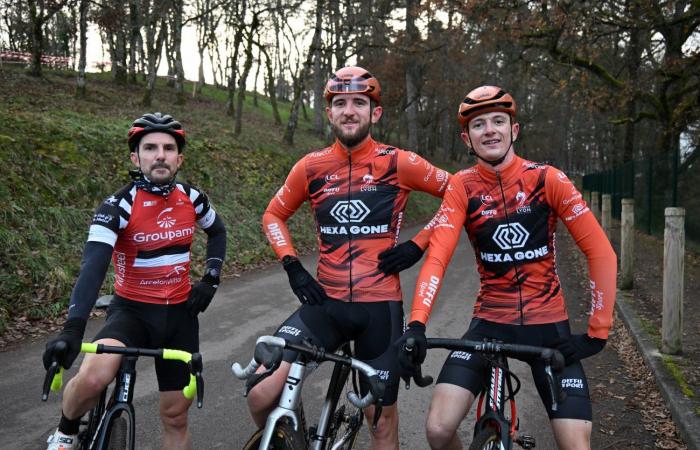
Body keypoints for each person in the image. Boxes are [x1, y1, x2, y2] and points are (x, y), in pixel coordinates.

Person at [398, 86, 617, 450]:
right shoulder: (462, 187)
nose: (490, 130)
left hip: (548, 326)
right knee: (438, 429)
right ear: (467, 138)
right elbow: (438, 256)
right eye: (479, 125)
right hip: (490, 322)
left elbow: (601, 253)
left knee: (576, 446)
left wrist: (597, 332)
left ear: (514, 130)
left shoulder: (548, 179)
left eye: (499, 121)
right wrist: (417, 323)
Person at [249, 66, 451, 449]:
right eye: (340, 103)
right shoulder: (310, 167)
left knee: (380, 423)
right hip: (326, 301)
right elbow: (273, 214)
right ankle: (292, 436)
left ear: (375, 113)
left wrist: (419, 243)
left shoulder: (399, 162)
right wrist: (292, 264)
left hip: (379, 308)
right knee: (261, 392)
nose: (349, 110)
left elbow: (458, 193)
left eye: (359, 102)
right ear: (329, 113)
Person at [42, 112, 227, 450]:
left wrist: (210, 278)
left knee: (176, 416)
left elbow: (217, 231)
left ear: (179, 158)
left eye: (169, 148)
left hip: (180, 316)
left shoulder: (193, 197)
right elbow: (93, 268)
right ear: (135, 157)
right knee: (95, 377)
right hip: (132, 312)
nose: (160, 155)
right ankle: (66, 431)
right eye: (150, 147)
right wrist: (73, 328)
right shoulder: (118, 206)